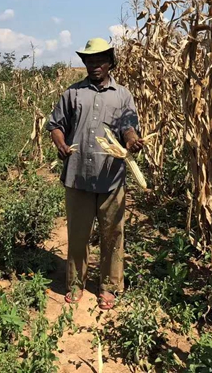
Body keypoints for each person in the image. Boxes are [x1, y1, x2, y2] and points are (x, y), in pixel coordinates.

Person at [46, 37, 144, 310]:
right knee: (78, 234)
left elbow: (128, 127)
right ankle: (76, 283)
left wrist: (132, 141)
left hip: (111, 177)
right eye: (89, 60)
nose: (94, 65)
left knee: (112, 234)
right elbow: (55, 124)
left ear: (110, 62)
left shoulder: (122, 95)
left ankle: (109, 287)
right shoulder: (73, 93)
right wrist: (61, 144)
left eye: (99, 60)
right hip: (78, 175)